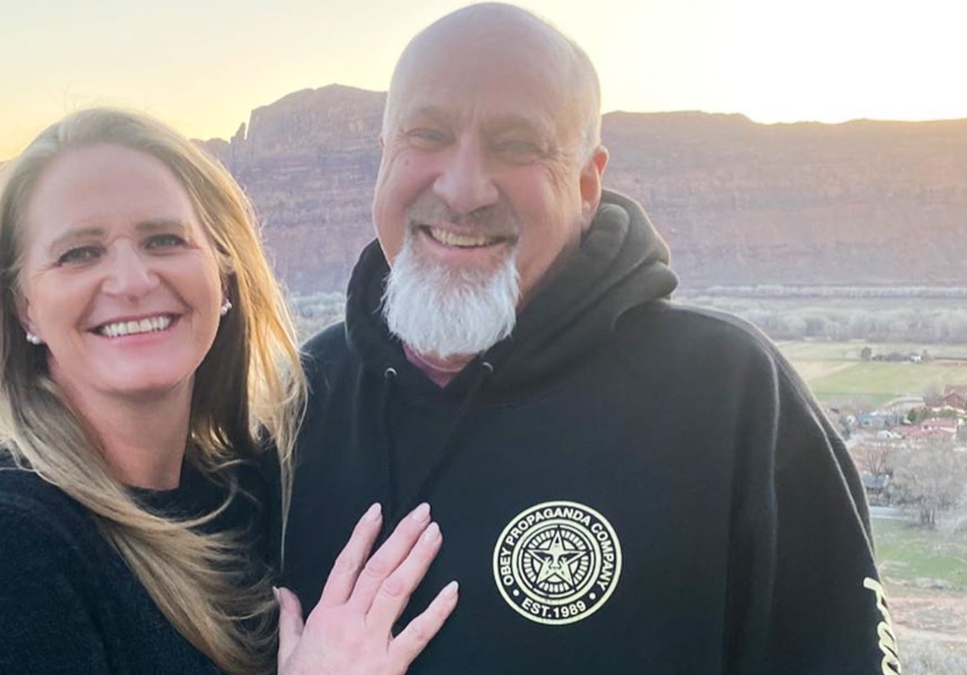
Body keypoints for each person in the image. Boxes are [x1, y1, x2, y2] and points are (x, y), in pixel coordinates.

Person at [282, 4, 900, 674]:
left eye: (516, 145)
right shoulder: (310, 397)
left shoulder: (728, 397)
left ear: (586, 183)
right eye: (426, 135)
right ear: (384, 160)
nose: (462, 189)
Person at [0, 108, 457, 675]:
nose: (132, 281)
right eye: (79, 253)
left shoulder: (247, 498)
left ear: (224, 275)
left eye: (165, 240)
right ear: (25, 309)